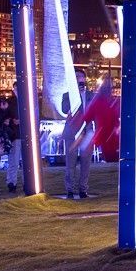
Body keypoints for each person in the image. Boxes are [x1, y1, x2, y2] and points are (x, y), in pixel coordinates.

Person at [61, 70, 92, 199]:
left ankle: (83, 189)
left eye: (81, 77)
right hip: (72, 132)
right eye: (77, 77)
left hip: (87, 132)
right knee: (71, 162)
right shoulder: (67, 95)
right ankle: (70, 190)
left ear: (85, 79)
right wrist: (77, 94)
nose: (79, 79)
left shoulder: (91, 95)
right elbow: (64, 109)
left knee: (86, 163)